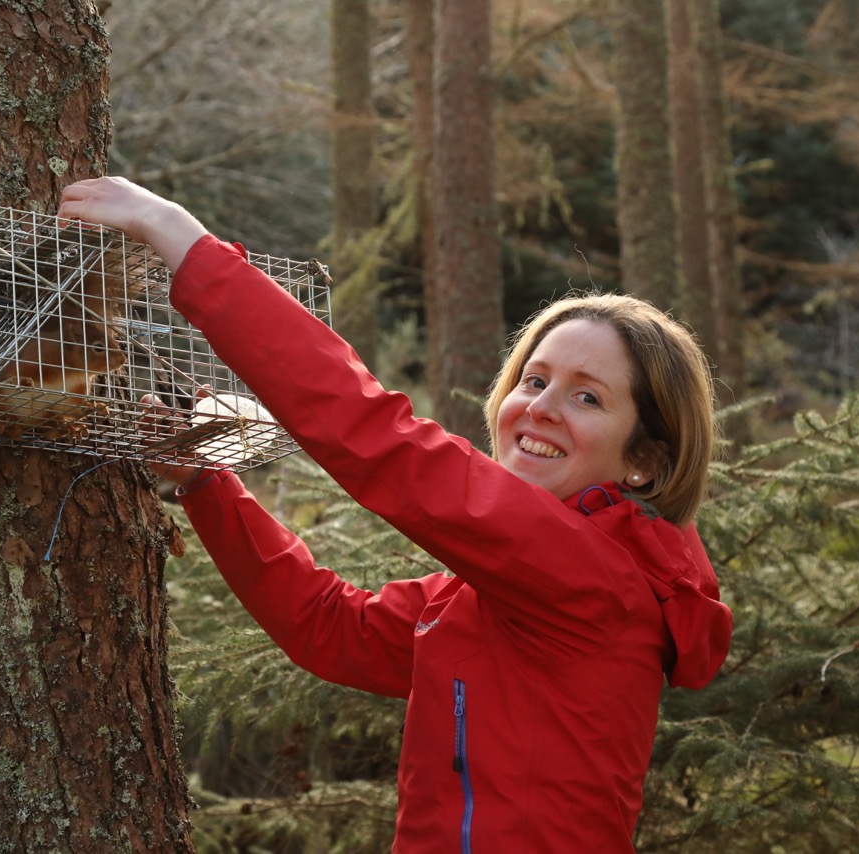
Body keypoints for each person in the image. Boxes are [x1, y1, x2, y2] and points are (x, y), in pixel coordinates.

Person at [58, 177, 733, 853]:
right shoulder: (503, 593)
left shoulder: (593, 581)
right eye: (534, 380)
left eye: (588, 398)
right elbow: (331, 629)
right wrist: (208, 486)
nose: (541, 407)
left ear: (642, 461)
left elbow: (377, 438)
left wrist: (183, 241)